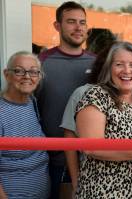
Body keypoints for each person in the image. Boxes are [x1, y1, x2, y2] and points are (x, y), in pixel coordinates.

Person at [75, 41, 132, 198]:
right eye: (119, 64)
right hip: (103, 192)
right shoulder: (97, 95)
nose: (127, 71)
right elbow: (91, 147)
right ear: (109, 69)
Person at [35, 1, 96, 198]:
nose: (78, 27)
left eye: (82, 22)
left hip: (93, 158)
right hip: (51, 161)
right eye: (71, 22)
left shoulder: (98, 64)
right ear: (57, 26)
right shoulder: (41, 63)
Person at [60, 40, 116, 192]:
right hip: (94, 182)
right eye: (116, 63)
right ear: (104, 65)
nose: (123, 70)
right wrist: (75, 179)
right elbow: (69, 137)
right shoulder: (83, 93)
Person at [0, 51, 49, 198]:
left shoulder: (32, 102)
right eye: (19, 71)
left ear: (39, 77)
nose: (27, 76)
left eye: (33, 72)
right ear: (6, 74)